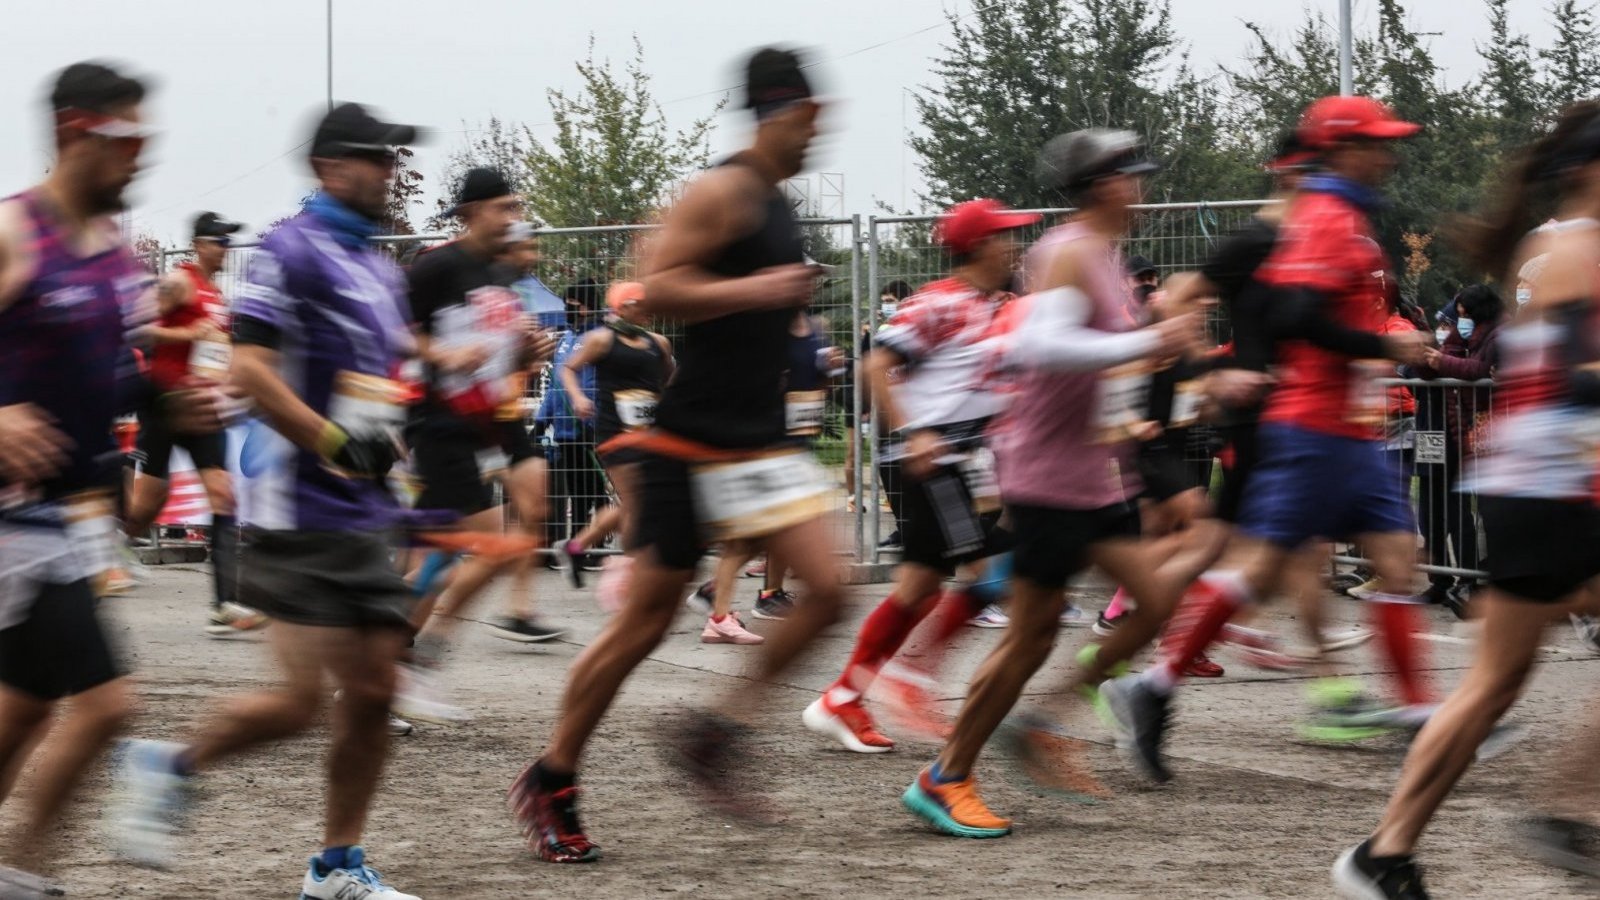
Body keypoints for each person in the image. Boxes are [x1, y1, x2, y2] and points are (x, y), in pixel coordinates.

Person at [511, 46, 840, 863]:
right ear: (785, 113)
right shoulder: (721, 190)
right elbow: (648, 288)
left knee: (830, 591)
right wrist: (757, 291)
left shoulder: (778, 203)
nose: (819, 133)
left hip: (757, 439)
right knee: (643, 626)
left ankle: (713, 735)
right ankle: (551, 776)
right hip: (689, 444)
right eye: (812, 117)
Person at [112, 101, 426, 900]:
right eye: (374, 158)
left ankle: (335, 868)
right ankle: (168, 762)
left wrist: (395, 454)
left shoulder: (385, 270)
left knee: (376, 691)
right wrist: (331, 442)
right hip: (296, 506)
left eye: (393, 159)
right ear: (328, 168)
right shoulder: (290, 252)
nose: (388, 172)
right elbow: (251, 370)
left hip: (361, 506)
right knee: (296, 703)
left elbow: (377, 385)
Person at [1095, 96, 1435, 785]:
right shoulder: (1283, 231)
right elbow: (1194, 304)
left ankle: (1400, 710)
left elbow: (1296, 314)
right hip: (1296, 423)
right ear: (1306, 164)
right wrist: (1215, 373)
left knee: (1368, 559)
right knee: (1241, 554)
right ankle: (1139, 662)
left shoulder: (1334, 224)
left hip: (1332, 423)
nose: (1389, 157)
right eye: (1376, 145)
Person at [900, 128, 1216, 837]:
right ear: (1103, 184)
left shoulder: (1099, 256)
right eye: (1132, 175)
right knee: (1030, 636)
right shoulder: (1066, 250)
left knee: (1157, 600)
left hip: (1094, 474)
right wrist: (1148, 343)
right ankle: (947, 776)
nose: (1143, 187)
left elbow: (1095, 363)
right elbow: (1044, 346)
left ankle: (1042, 722)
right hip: (1046, 475)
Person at [1333, 101, 1600, 900]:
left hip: (1544, 481)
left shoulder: (1551, 245)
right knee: (1490, 685)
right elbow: (1578, 381)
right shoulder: (1580, 250)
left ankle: (1395, 851)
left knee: (1493, 684)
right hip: (1554, 485)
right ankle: (1400, 848)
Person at [0, 61, 201, 899]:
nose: (141, 159)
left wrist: (176, 396)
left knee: (28, 706)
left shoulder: (118, 258)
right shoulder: (16, 234)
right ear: (74, 132)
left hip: (70, 523)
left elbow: (109, 381)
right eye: (128, 140)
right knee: (106, 706)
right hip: (13, 525)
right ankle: (27, 871)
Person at [804, 198, 1036, 753]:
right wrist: (915, 434)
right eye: (1006, 236)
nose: (1016, 246)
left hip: (963, 464)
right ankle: (909, 680)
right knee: (996, 569)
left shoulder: (992, 305)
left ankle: (844, 696)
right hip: (929, 463)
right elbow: (874, 366)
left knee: (924, 588)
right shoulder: (938, 303)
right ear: (979, 245)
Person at [397, 167, 560, 722]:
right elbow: (393, 331)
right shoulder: (437, 265)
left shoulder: (496, 274)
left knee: (449, 557)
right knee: (486, 549)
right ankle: (396, 663)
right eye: (503, 209)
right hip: (439, 424)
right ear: (470, 212)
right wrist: (442, 357)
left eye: (517, 209)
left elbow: (491, 349)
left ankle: (396, 661)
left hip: (486, 423)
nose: (513, 219)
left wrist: (522, 352)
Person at [122, 209, 264, 636]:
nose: (225, 249)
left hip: (203, 411)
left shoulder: (217, 295)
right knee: (144, 511)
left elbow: (217, 352)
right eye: (218, 242)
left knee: (224, 497)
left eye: (227, 242)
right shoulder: (180, 282)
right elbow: (137, 328)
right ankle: (101, 546)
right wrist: (187, 335)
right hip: (167, 405)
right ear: (200, 244)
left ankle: (224, 605)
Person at [552, 282, 675, 599]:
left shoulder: (658, 342)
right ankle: (632, 576)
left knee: (639, 504)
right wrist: (578, 397)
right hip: (614, 433)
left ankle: (575, 546)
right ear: (623, 306)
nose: (648, 308)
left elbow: (669, 377)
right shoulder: (601, 339)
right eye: (641, 302)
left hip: (648, 434)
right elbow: (567, 369)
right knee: (635, 503)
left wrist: (664, 402)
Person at [1414, 284, 1503, 617]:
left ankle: (1474, 580)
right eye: (1455, 316)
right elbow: (1425, 371)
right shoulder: (1455, 336)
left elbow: (1478, 371)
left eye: (1463, 316)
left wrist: (1443, 362)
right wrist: (1424, 357)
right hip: (1435, 430)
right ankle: (1442, 579)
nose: (1457, 322)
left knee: (1467, 509)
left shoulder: (1496, 337)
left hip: (1472, 428)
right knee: (1432, 506)